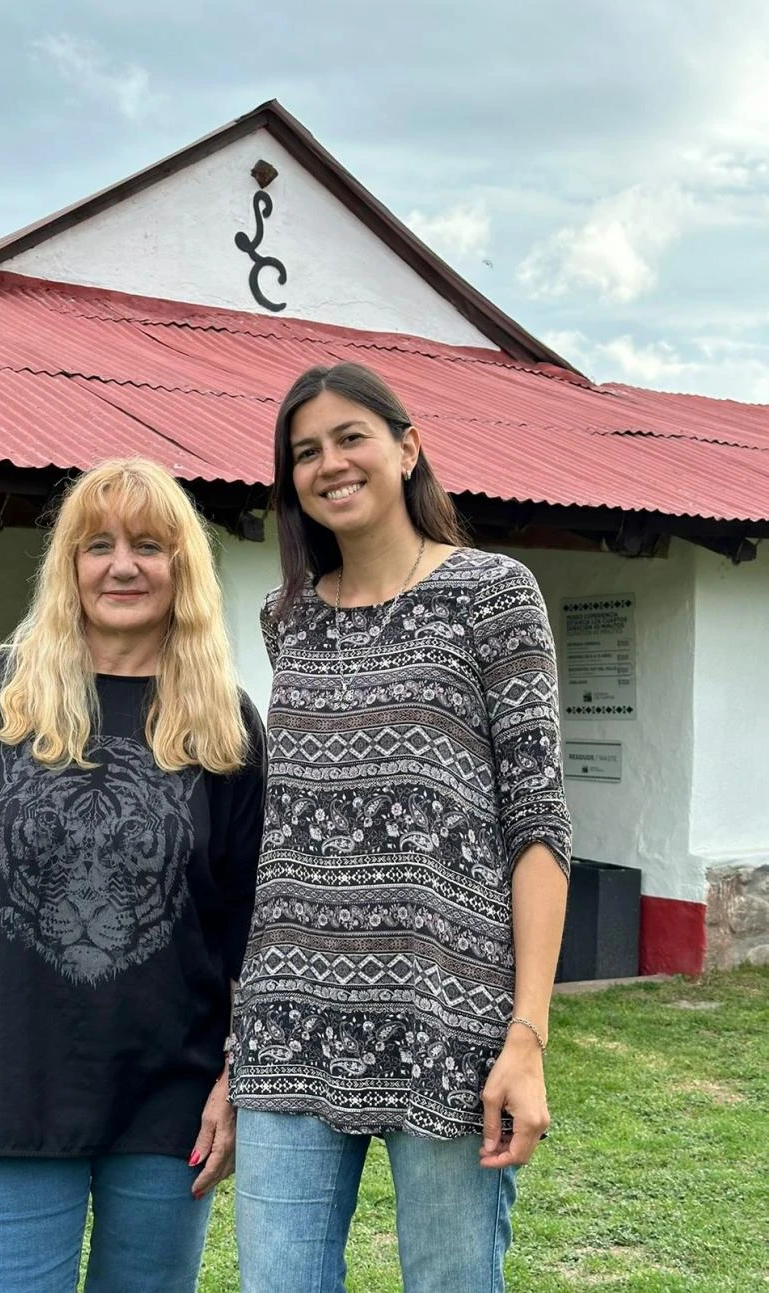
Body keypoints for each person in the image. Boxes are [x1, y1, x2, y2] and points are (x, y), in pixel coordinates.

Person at [229, 363, 571, 1293]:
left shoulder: (492, 594)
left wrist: (526, 1039)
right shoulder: (284, 620)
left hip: (447, 1018)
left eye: (351, 437)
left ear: (407, 446)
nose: (329, 464)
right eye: (305, 451)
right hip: (287, 1021)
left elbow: (537, 824)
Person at [0, 458, 265, 1293]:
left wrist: (233, 1079)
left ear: (184, 566)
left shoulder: (224, 724)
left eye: (150, 544)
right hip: (14, 1079)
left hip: (169, 1094)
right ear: (69, 564)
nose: (122, 565)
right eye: (97, 544)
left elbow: (255, 928)